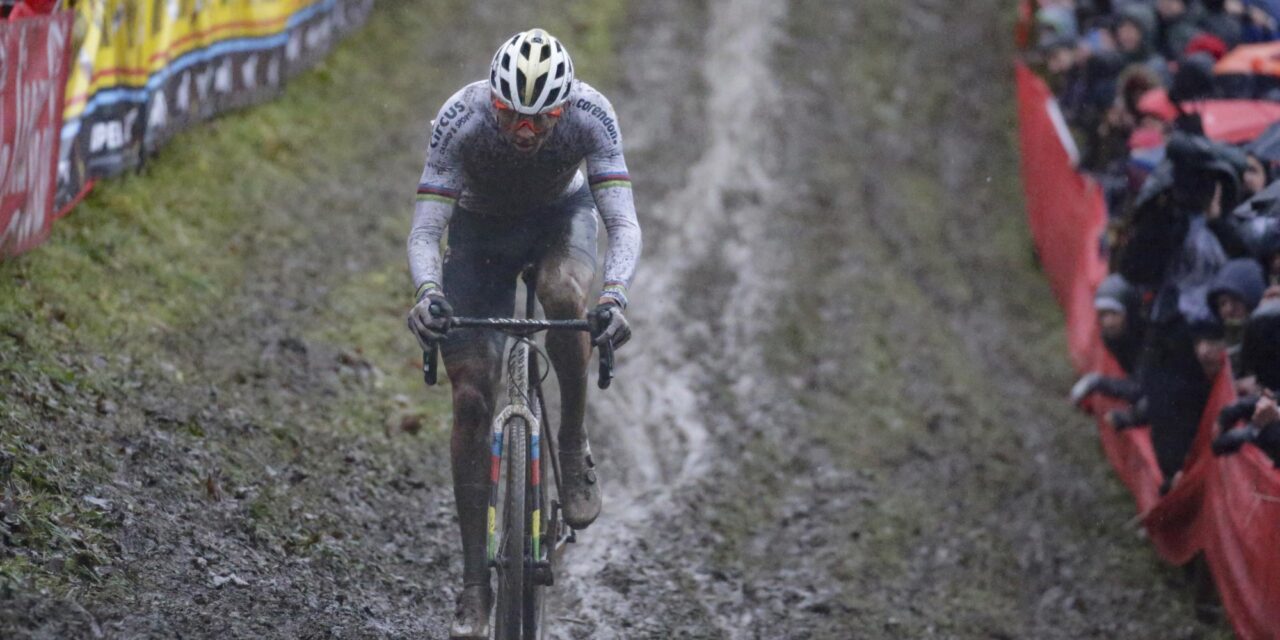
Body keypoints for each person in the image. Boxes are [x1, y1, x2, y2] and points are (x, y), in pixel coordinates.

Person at [404, 29, 641, 638]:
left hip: (560, 221)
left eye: (542, 118)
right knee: (470, 398)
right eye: (511, 114)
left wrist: (613, 296)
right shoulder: (461, 119)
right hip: (479, 234)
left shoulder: (591, 115)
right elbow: (427, 229)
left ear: (564, 107)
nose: (526, 131)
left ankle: (571, 441)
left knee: (564, 298)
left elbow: (621, 221)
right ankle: (473, 585)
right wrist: (428, 292)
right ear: (493, 100)